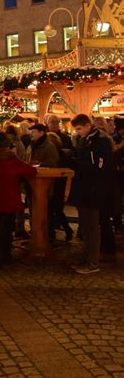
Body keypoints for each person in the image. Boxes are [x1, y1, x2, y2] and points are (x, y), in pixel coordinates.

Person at [0, 132, 37, 266]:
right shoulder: (13, 160)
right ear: (8, 144)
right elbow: (31, 171)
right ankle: (5, 257)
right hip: (10, 198)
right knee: (7, 229)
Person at [69, 114, 113, 274]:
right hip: (84, 188)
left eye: (79, 128)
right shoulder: (86, 141)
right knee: (85, 226)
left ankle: (92, 262)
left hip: (93, 189)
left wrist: (75, 163)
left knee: (92, 226)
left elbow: (97, 167)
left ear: (88, 125)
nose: (78, 132)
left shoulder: (99, 141)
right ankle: (87, 258)